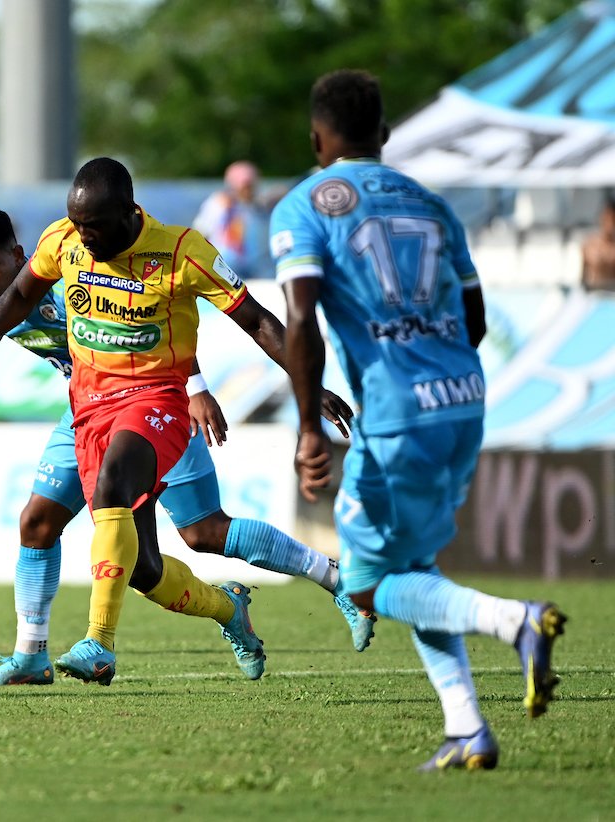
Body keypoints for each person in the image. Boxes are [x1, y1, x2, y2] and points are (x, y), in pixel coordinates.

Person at [0, 159, 342, 686]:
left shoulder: (74, 280)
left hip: (156, 401)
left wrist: (196, 389)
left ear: (18, 255)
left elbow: (152, 324)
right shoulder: (1, 306)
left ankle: (331, 576)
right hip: (86, 410)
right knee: (59, 532)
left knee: (204, 533)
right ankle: (32, 654)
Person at [273, 69, 568, 771]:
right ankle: (467, 728)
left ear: (317, 139)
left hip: (397, 413)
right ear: (384, 134)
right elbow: (475, 317)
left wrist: (310, 424)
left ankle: (513, 621)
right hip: (465, 398)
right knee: (416, 568)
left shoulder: (302, 207)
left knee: (367, 584)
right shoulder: (433, 204)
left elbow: (301, 315)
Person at [191, 160, 271, 279]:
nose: (249, 190)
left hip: (252, 269)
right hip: (224, 267)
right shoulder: (218, 204)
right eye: (246, 186)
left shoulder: (256, 207)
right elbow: (200, 233)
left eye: (251, 186)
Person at [580, 195, 615, 291]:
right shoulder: (590, 245)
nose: (609, 223)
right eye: (607, 218)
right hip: (595, 296)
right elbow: (583, 278)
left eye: (612, 219)